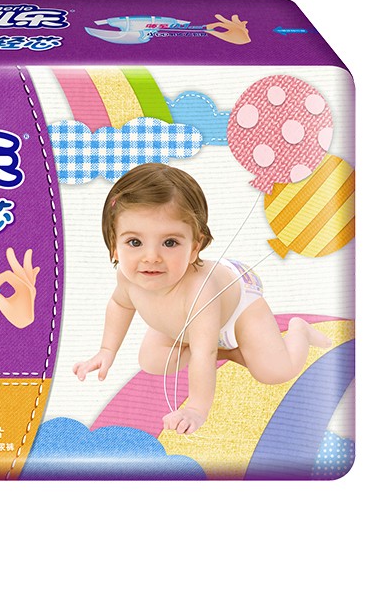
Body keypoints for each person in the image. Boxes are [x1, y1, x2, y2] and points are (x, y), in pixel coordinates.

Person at [73, 163, 331, 435]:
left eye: (170, 243)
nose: (151, 257)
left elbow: (204, 352)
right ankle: (231, 353)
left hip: (238, 309)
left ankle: (299, 331)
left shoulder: (200, 291)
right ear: (114, 246)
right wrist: (107, 350)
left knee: (275, 371)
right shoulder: (128, 279)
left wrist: (196, 408)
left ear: (195, 247)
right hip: (185, 328)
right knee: (151, 360)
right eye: (135, 242)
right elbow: (120, 305)